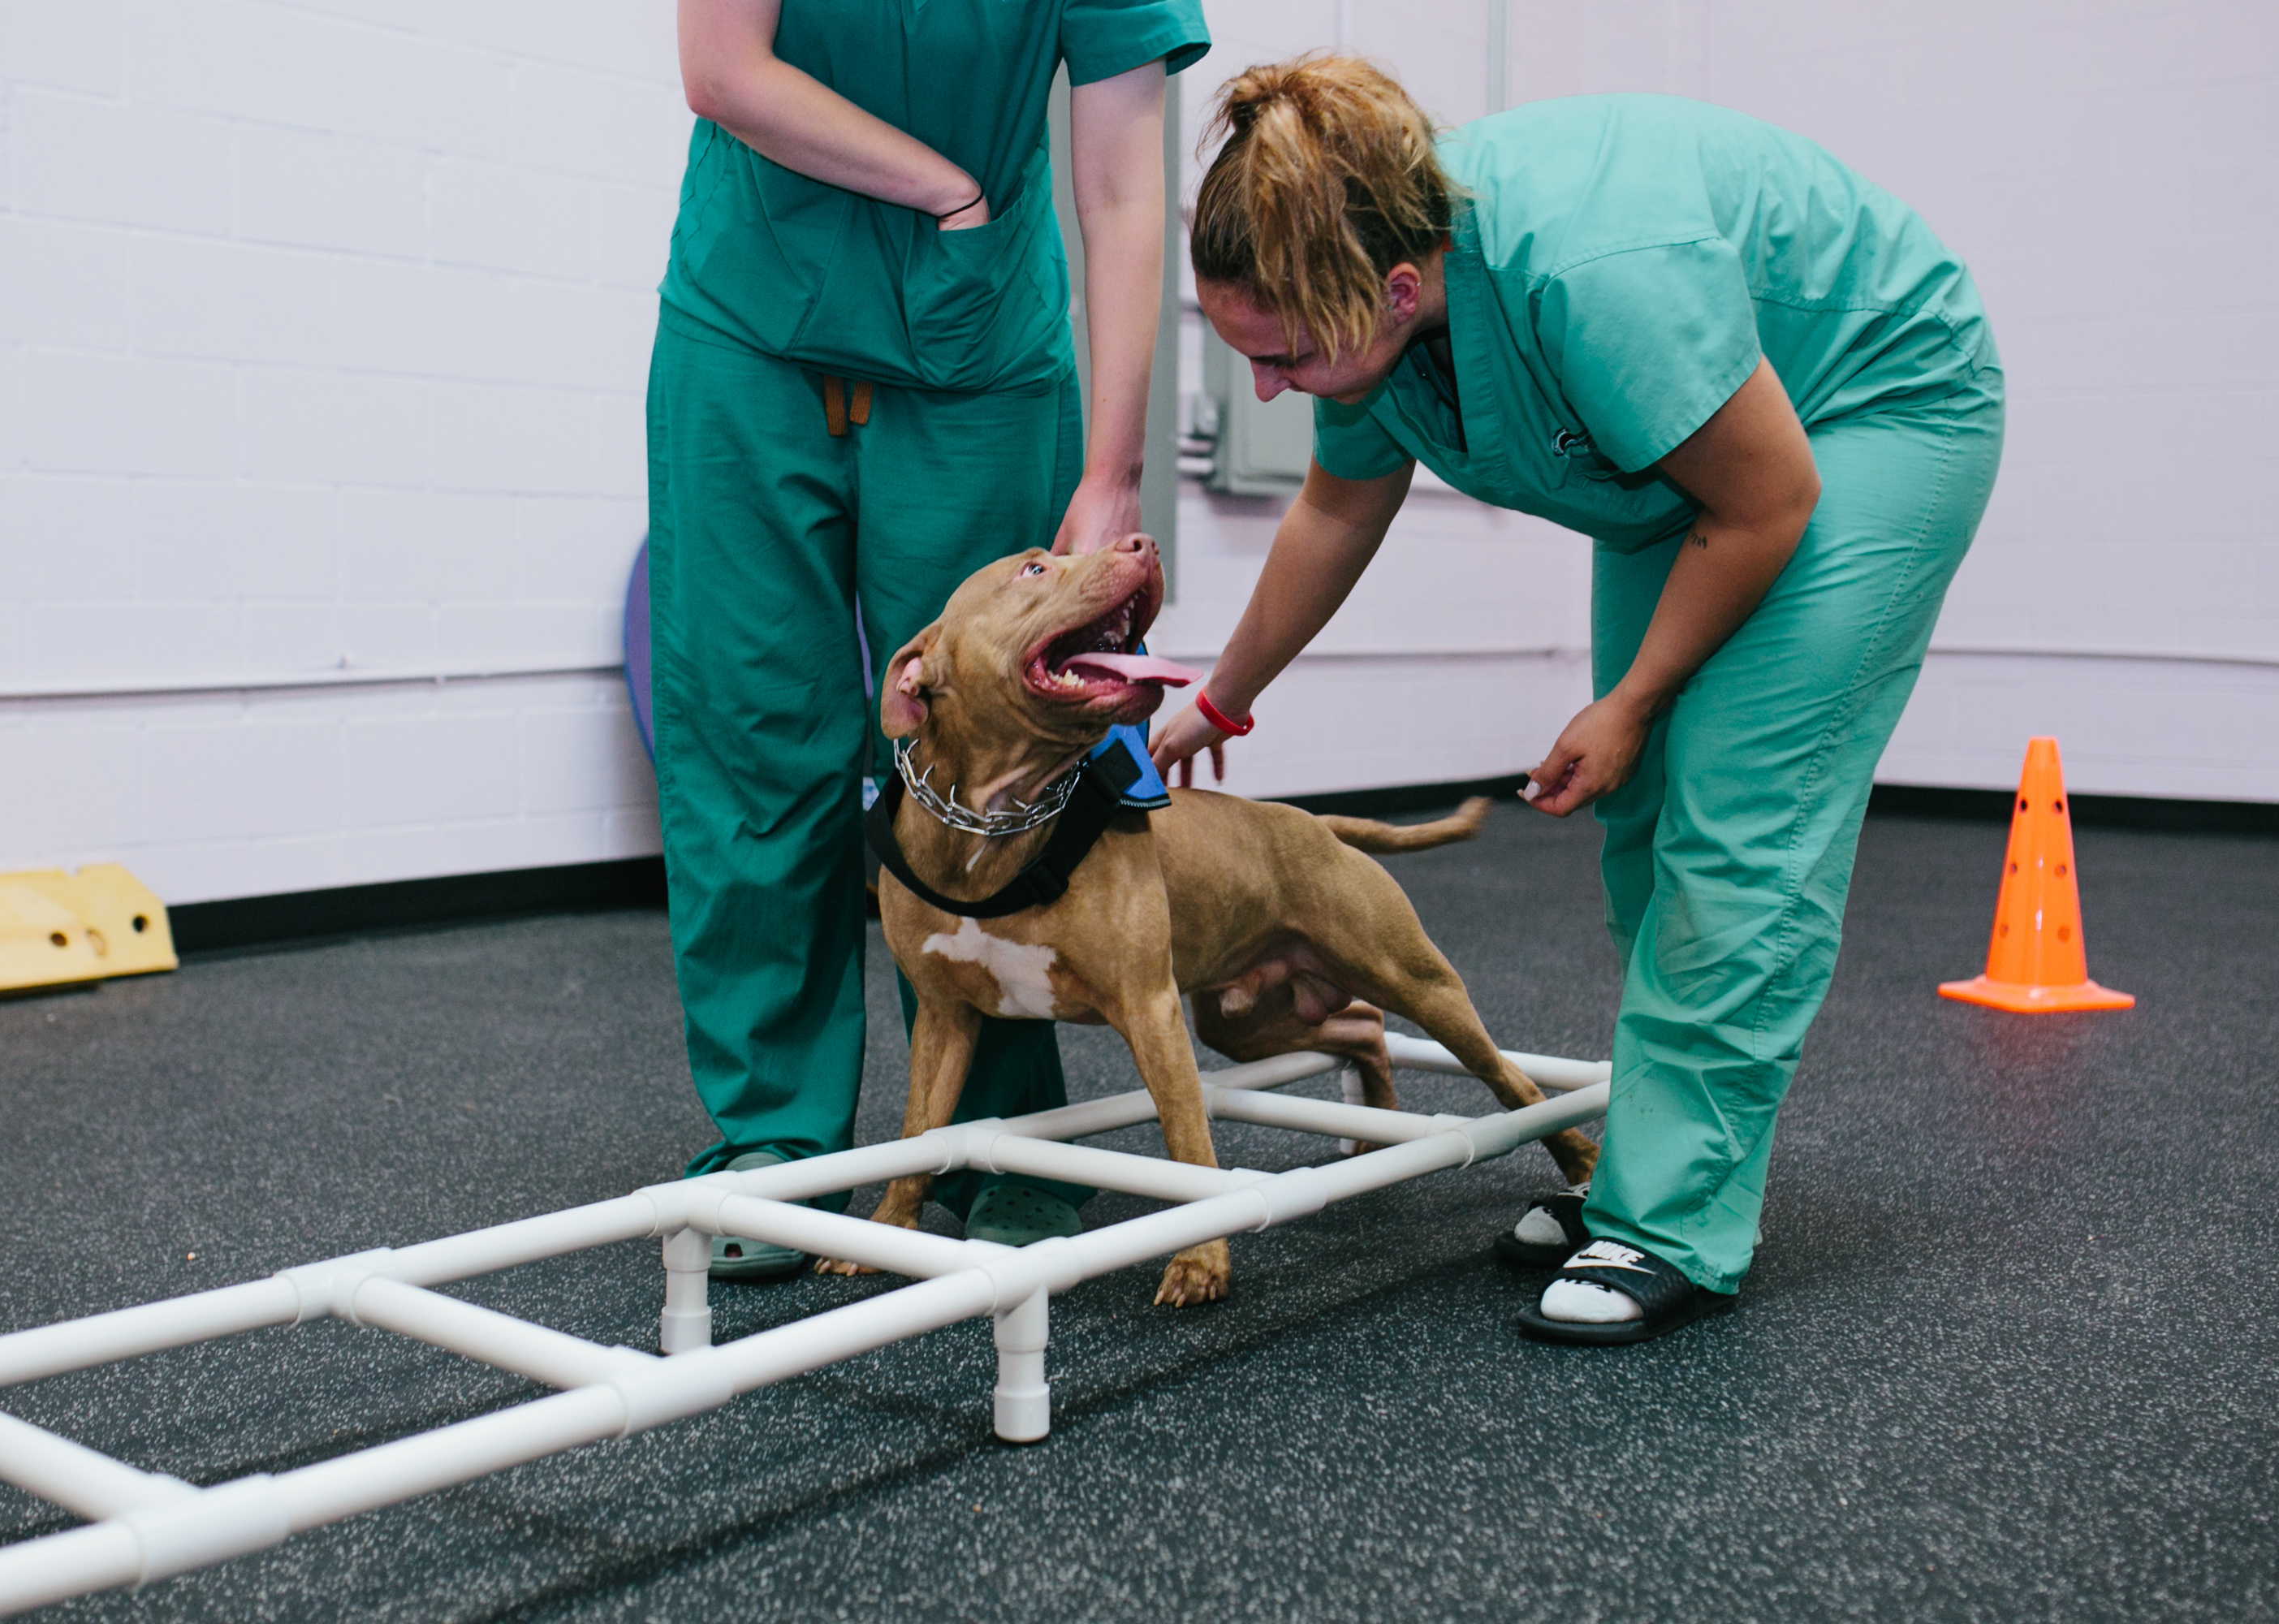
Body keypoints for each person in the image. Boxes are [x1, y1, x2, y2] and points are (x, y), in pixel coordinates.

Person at [1150, 57, 2002, 1344]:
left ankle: (1671, 1225)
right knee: (1643, 820)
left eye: (1281, 359)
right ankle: (1648, 1170)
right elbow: (1336, 506)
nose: (1266, 387)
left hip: (1871, 409)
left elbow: (1766, 503)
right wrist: (1221, 699)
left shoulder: (1590, 276)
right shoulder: (1376, 299)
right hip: (1700, 459)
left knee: (1738, 812)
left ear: (1393, 293)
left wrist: (1636, 698)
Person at [651, 1, 1209, 1276]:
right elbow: (723, 70)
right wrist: (948, 186)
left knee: (1000, 735)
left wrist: (1115, 471)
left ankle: (999, 1131)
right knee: (750, 727)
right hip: (751, 323)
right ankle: (775, 1137)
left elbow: (1125, 190)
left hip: (979, 345)